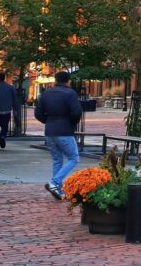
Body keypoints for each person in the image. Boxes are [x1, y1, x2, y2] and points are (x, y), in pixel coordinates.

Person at [34, 70, 82, 200]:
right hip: (65, 130)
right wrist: (71, 122)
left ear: (55, 80)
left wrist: (48, 121)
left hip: (49, 131)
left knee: (57, 160)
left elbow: (37, 113)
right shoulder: (70, 93)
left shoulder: (46, 93)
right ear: (68, 81)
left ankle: (57, 190)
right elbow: (77, 112)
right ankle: (54, 183)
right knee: (74, 158)